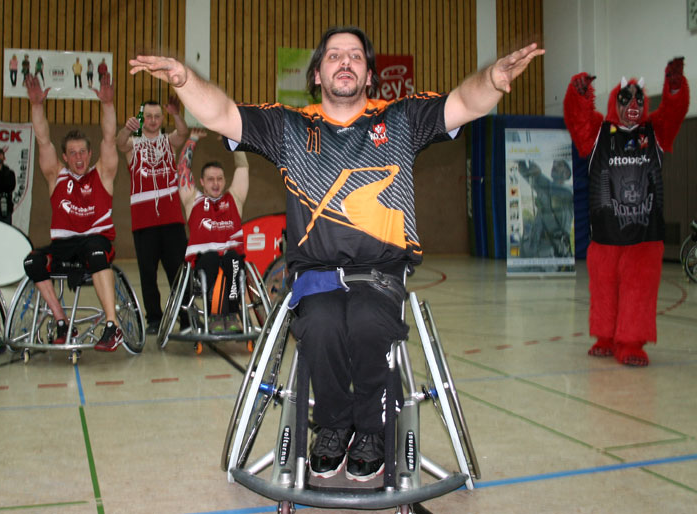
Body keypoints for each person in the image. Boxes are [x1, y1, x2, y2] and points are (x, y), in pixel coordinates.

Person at [130, 26, 542, 482]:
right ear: (317, 74)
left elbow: (463, 102)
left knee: (367, 323)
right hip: (316, 276)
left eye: (355, 57)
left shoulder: (400, 119)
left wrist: (493, 79)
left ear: (369, 76)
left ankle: (370, 430)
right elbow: (224, 112)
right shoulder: (290, 126)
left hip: (381, 275)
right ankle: (331, 427)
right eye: (333, 56)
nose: (344, 62)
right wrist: (186, 80)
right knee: (322, 326)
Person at [563, 58, 690, 366]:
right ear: (614, 103)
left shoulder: (655, 131)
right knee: (604, 289)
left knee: (638, 291)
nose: (632, 104)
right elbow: (578, 120)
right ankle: (606, 337)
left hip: (644, 236)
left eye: (637, 99)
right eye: (625, 99)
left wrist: (674, 88)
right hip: (606, 234)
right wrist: (579, 94)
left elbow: (673, 113)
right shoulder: (597, 133)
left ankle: (631, 342)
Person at [22, 74, 124, 352]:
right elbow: (43, 141)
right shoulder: (57, 176)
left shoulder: (102, 174)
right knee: (33, 262)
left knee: (94, 250)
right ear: (65, 157)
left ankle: (112, 327)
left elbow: (108, 138)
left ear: (89, 154)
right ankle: (61, 321)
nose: (78, 158)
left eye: (82, 152)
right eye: (72, 153)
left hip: (96, 240)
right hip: (65, 244)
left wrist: (108, 104)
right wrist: (36, 106)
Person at [117, 96, 189, 335]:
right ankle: (154, 319)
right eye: (148, 116)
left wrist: (177, 114)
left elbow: (183, 132)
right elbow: (119, 143)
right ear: (142, 118)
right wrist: (126, 129)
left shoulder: (169, 141)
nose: (153, 120)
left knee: (177, 271)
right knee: (147, 273)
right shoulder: (133, 145)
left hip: (172, 220)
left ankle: (186, 315)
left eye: (158, 116)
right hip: (144, 221)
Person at [177, 129, 249, 332]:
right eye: (210, 179)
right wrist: (192, 139)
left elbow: (242, 166)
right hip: (203, 262)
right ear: (202, 182)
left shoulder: (234, 199)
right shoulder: (193, 200)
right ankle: (214, 316)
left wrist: (233, 142)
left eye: (219, 178)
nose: (215, 183)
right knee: (209, 259)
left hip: (230, 258)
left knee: (233, 259)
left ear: (225, 181)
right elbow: (183, 169)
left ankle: (233, 313)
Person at [516, 159, 573, 258]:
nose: (554, 165)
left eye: (559, 164)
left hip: (552, 252)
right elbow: (529, 175)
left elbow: (553, 189)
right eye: (554, 163)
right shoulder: (546, 188)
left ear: (567, 173)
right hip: (534, 247)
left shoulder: (568, 192)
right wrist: (521, 160)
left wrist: (538, 176)